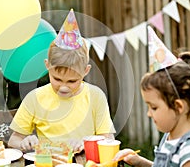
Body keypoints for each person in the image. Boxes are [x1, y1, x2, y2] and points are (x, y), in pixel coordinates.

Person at [8, 9, 115, 153]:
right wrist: (24, 142)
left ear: (85, 71)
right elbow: (13, 140)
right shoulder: (35, 98)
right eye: (57, 79)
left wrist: (87, 143)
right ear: (47, 66)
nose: (63, 87)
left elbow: (108, 139)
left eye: (72, 81)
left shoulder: (95, 96)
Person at [113, 51, 190, 167]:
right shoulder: (170, 137)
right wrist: (139, 162)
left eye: (154, 108)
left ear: (178, 107)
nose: (148, 114)